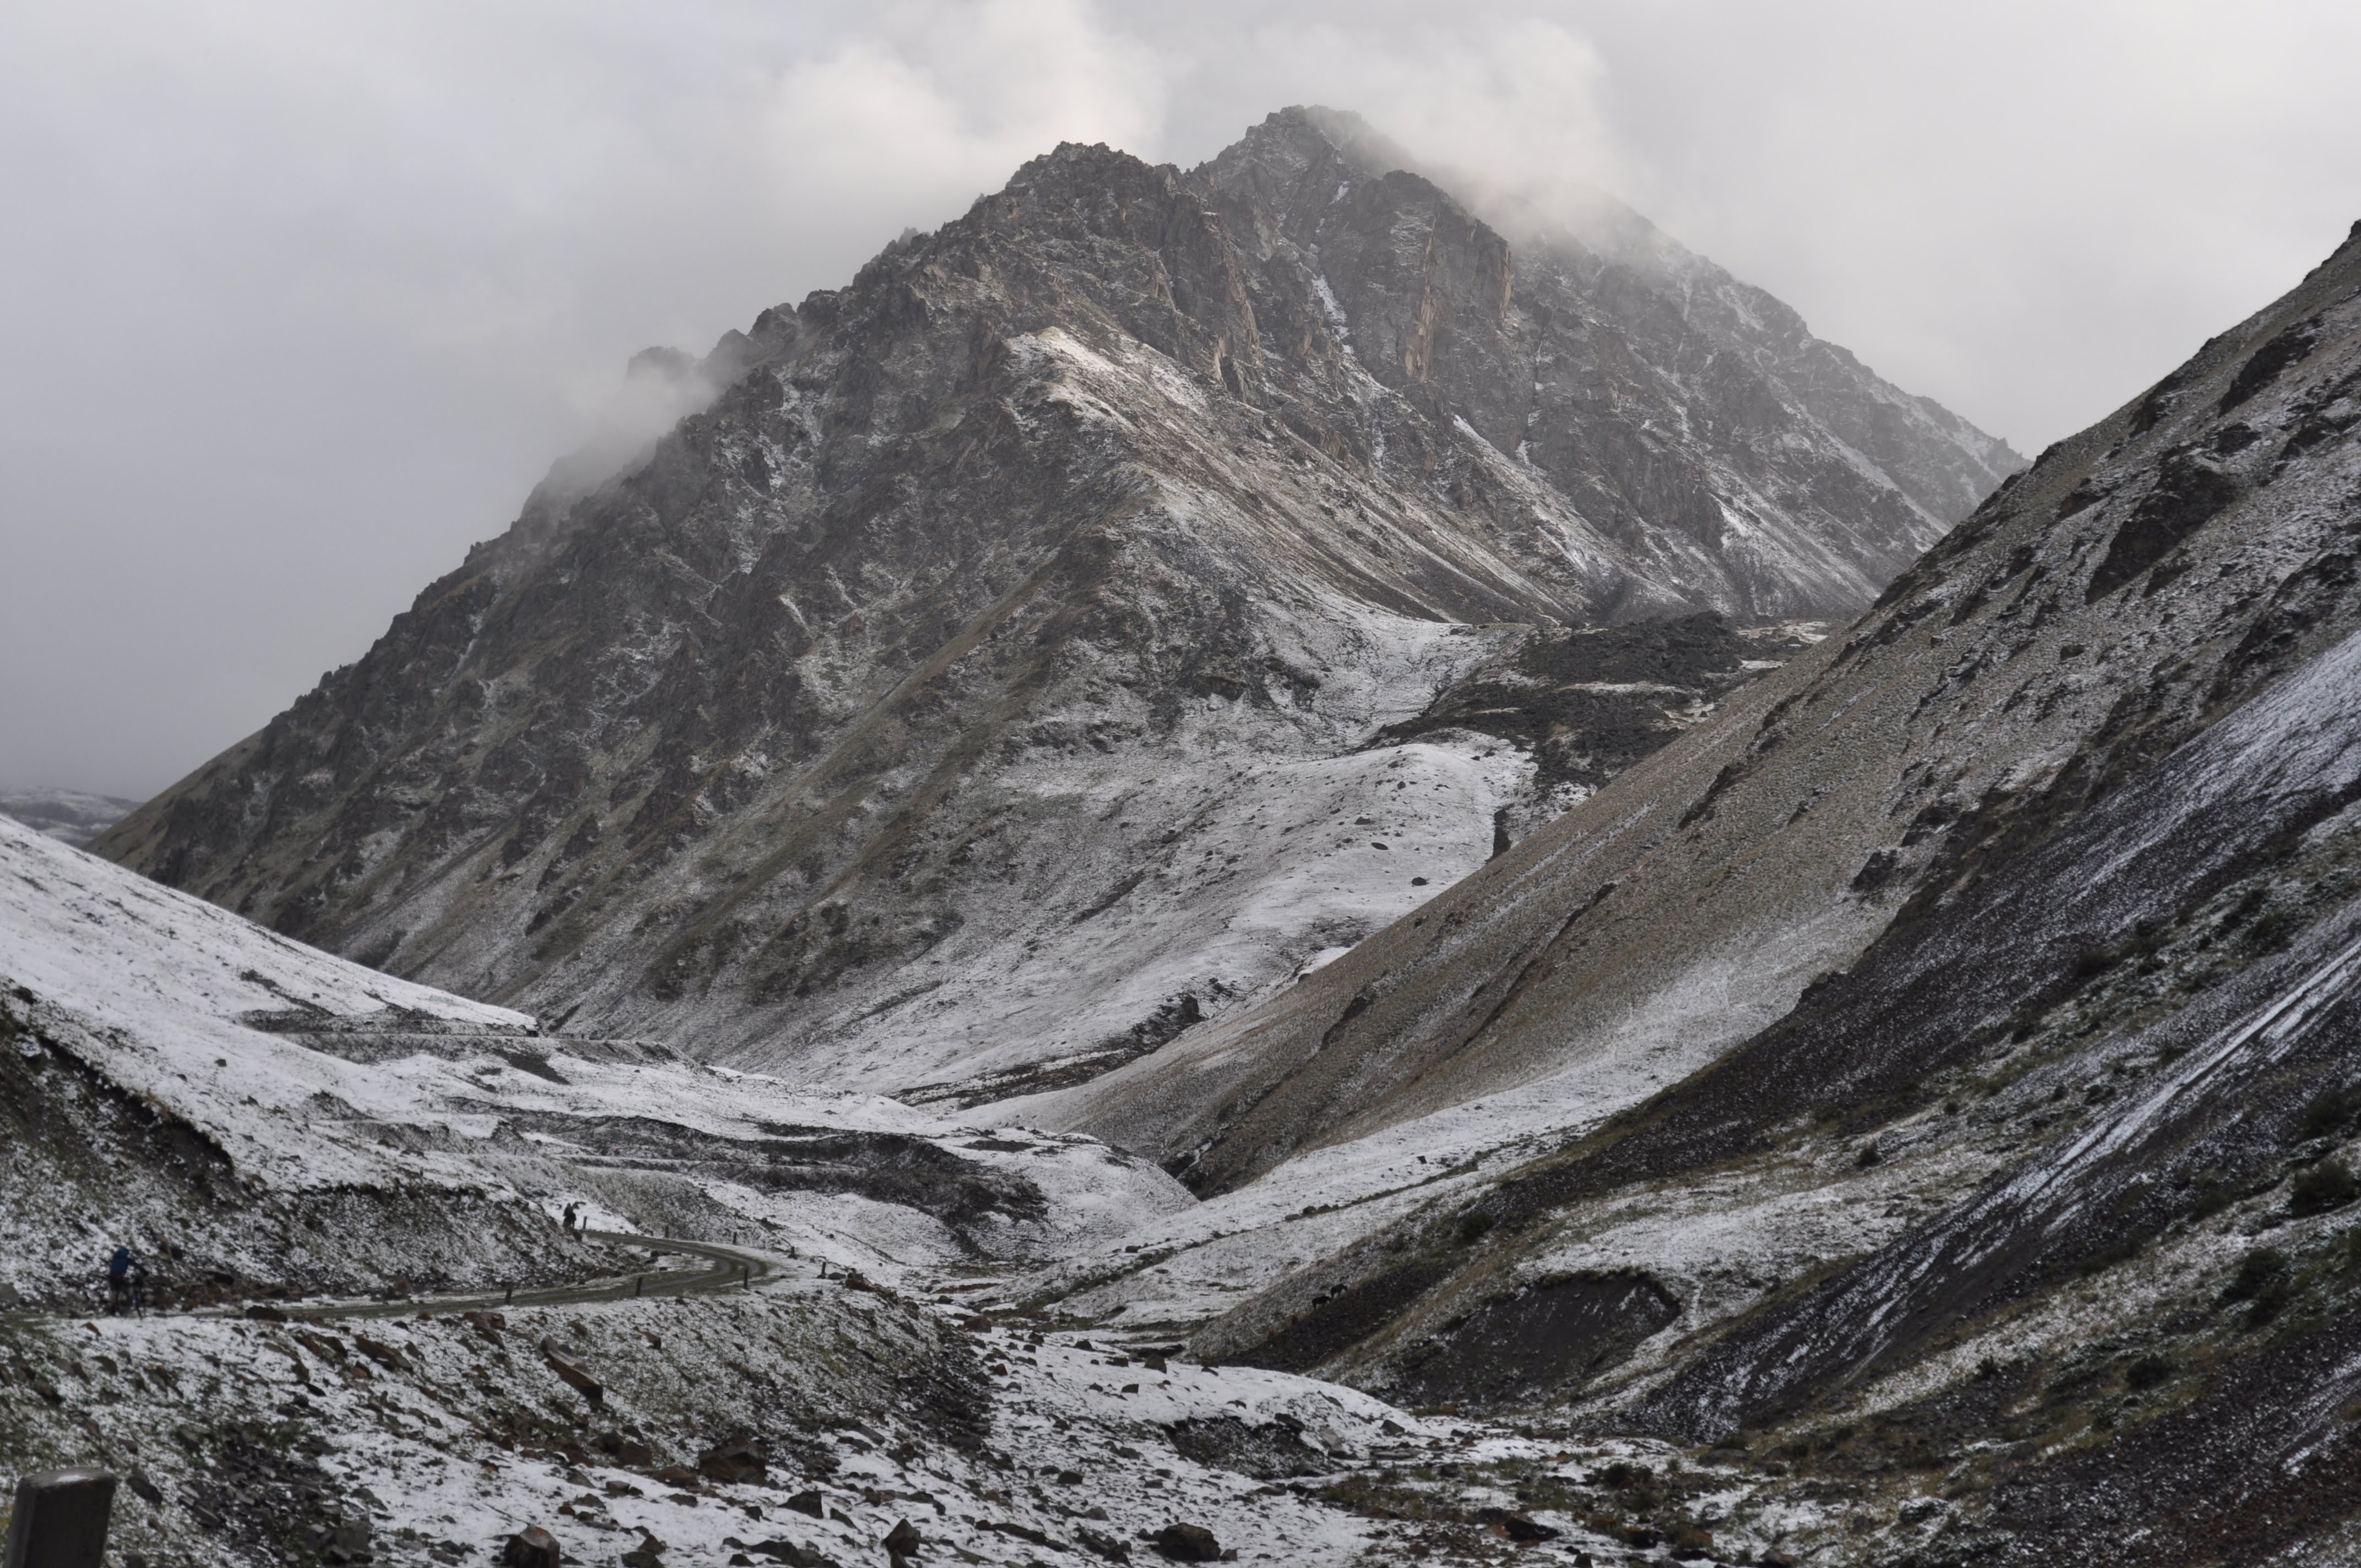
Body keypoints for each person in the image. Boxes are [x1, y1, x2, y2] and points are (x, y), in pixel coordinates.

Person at [105, 1245, 139, 1315]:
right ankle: (128, 1305)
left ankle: (113, 1308)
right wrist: (145, 1272)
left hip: (112, 1277)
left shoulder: (114, 1258)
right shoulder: (126, 1260)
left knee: (114, 1292)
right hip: (120, 1277)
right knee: (127, 1288)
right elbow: (136, 1265)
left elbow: (110, 1266)